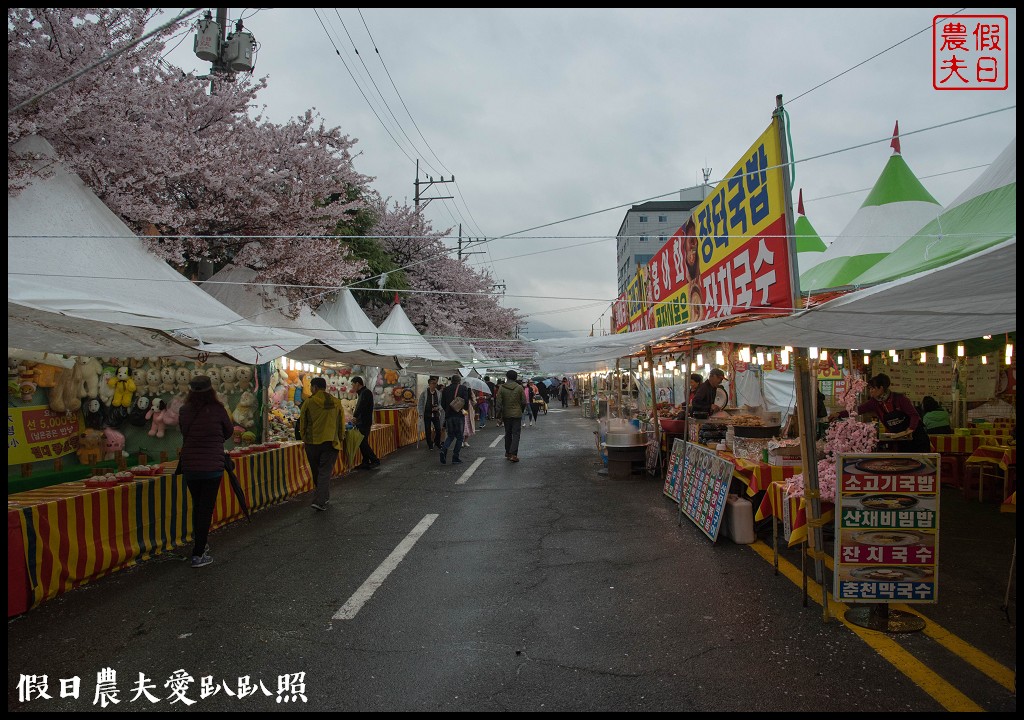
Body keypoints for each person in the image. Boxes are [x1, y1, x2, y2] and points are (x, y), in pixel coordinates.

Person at [178, 375, 233, 568]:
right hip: (212, 467)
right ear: (211, 390)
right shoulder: (218, 410)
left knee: (198, 505)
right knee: (205, 508)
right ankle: (198, 553)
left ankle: (201, 544)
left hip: (191, 466)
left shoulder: (184, 410)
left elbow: (184, 432)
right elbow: (228, 431)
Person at [830, 373, 930, 452]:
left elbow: (914, 415)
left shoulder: (900, 399)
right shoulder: (874, 403)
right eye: (870, 389)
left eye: (873, 388)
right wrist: (839, 414)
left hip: (916, 437)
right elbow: (857, 410)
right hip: (900, 440)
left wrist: (909, 430)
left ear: (881, 388)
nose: (871, 391)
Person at [298, 377, 345, 510]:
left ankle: (320, 500)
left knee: (317, 472)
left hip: (312, 443)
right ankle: (322, 498)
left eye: (311, 387)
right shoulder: (336, 402)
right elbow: (341, 422)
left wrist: (304, 437)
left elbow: (303, 423)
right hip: (330, 442)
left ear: (315, 387)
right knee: (324, 472)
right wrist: (341, 437)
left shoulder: (309, 402)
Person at [439, 374, 471, 464]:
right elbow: (466, 402)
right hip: (459, 415)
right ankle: (455, 457)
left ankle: (443, 450)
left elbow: (442, 403)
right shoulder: (463, 388)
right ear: (459, 381)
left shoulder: (445, 389)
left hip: (449, 416)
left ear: (451, 381)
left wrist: (448, 410)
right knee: (460, 437)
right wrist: (462, 410)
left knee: (450, 435)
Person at [350, 376, 380, 469]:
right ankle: (365, 461)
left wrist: (355, 416)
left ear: (357, 384)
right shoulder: (362, 393)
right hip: (362, 421)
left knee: (363, 442)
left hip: (364, 422)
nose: (352, 387)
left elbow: (361, 406)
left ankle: (374, 460)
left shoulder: (365, 392)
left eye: (352, 384)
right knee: (362, 442)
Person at [497, 370, 525, 462]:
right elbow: (524, 402)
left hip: (506, 414)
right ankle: (513, 454)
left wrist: (498, 415)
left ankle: (508, 453)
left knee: (508, 433)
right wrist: (521, 409)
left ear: (507, 377)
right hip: (517, 414)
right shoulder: (519, 387)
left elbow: (499, 403)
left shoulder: (501, 388)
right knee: (516, 434)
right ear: (516, 377)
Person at [417, 376, 444, 449]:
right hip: (427, 414)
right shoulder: (424, 393)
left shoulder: (438, 393)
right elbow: (420, 403)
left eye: (435, 383)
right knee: (428, 430)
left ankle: (437, 442)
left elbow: (441, 403)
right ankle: (430, 445)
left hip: (436, 414)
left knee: (438, 429)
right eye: (433, 383)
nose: (434, 385)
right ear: (429, 384)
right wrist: (421, 413)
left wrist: (438, 408)